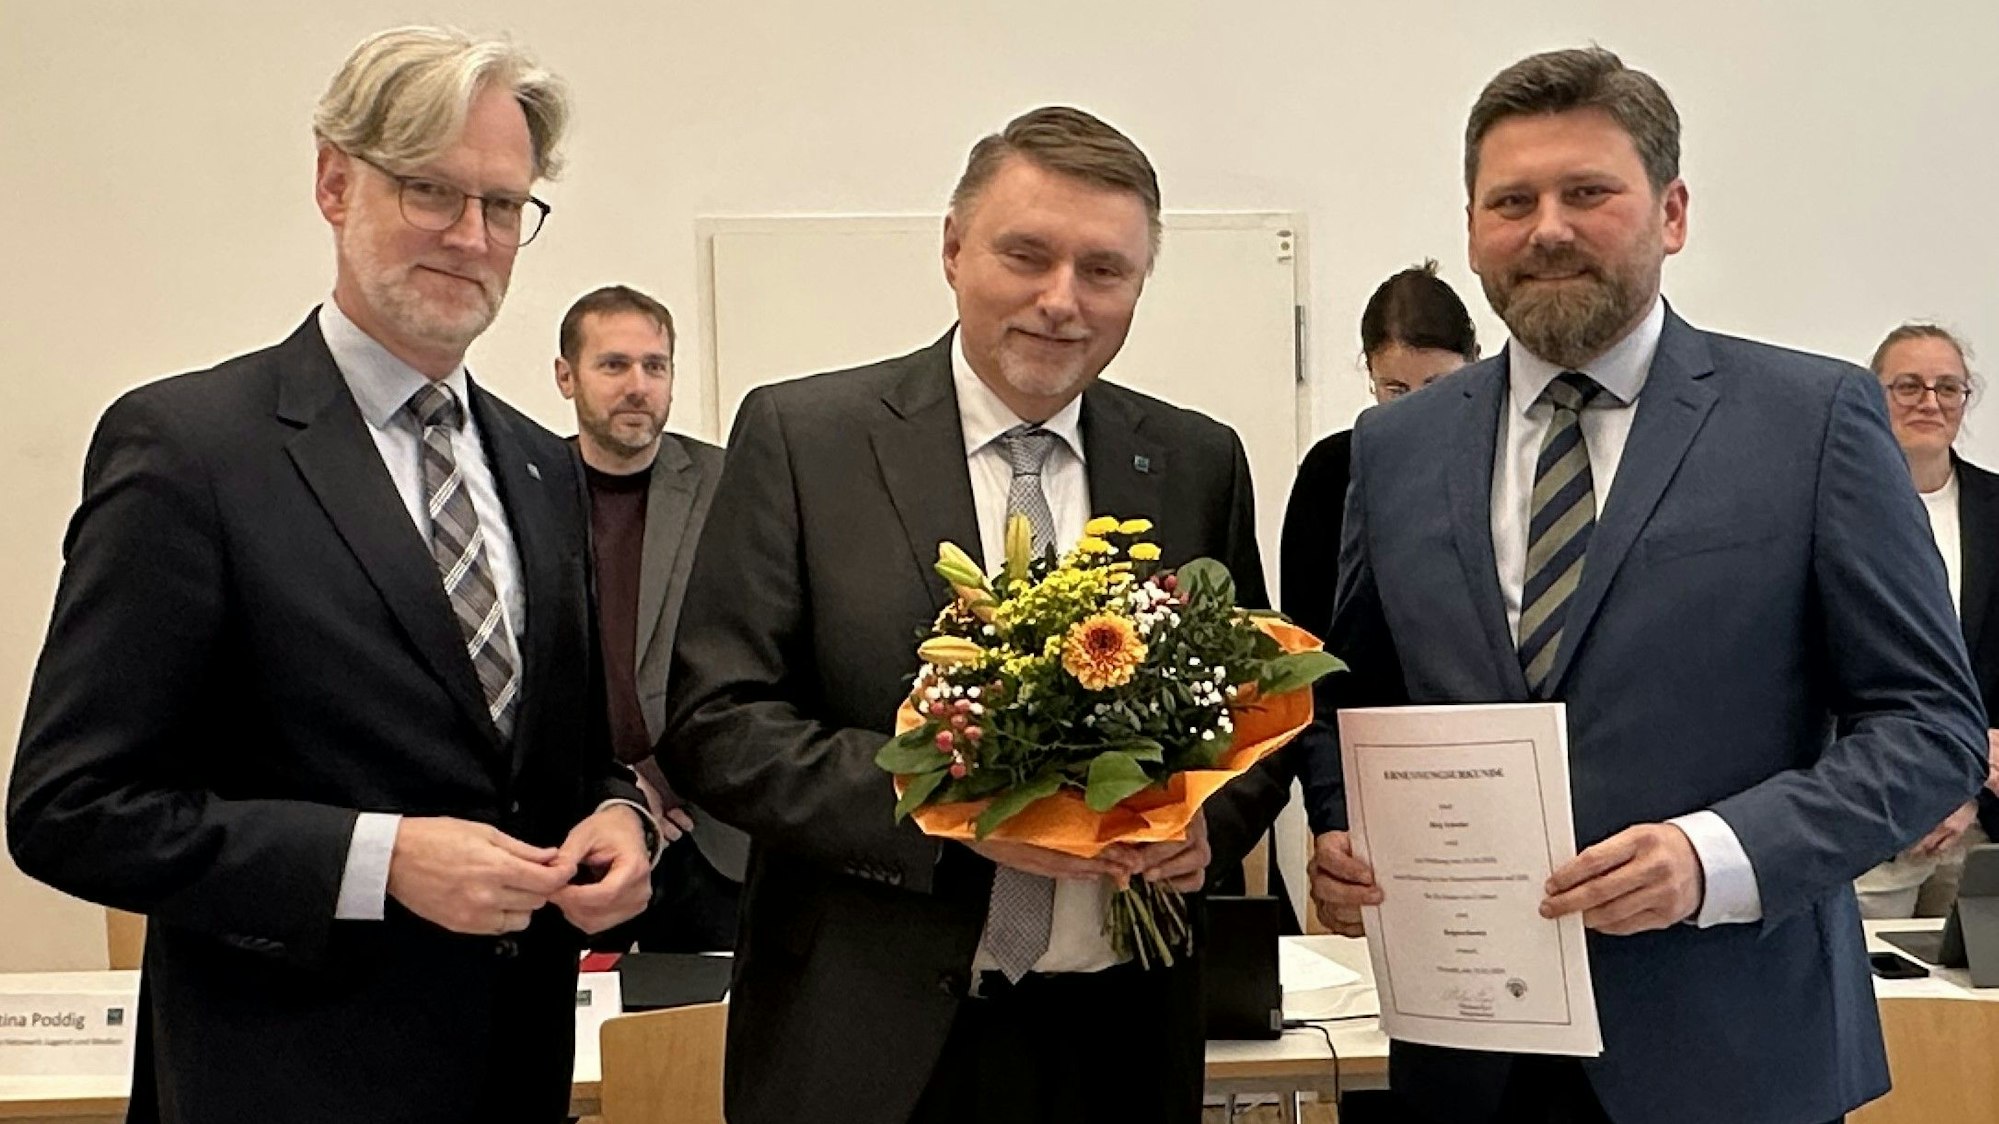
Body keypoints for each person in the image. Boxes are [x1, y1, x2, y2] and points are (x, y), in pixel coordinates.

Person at [1304, 47, 1986, 1124]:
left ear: (1670, 212)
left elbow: (1929, 728)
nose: (1548, 229)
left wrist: (1713, 854)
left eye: (1588, 192)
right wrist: (1344, 833)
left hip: (1733, 1049)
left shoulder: (1811, 422)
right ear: (1474, 223)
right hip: (1470, 1053)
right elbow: (1350, 694)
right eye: (1511, 200)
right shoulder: (1394, 447)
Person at [5, 27, 655, 1124]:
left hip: (515, 1072)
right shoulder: (191, 447)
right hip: (283, 1076)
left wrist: (619, 814)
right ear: (333, 181)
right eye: (430, 191)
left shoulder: (543, 464)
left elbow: (572, 755)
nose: (470, 235)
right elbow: (71, 807)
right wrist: (378, 859)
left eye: (503, 206)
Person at [662, 105, 1292, 1124]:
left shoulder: (1195, 460)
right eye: (1026, 255)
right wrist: (951, 814)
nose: (1061, 301)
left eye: (1103, 270)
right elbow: (718, 724)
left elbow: (1255, 717)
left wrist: (1202, 829)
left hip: (1120, 1043)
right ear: (953, 249)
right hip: (870, 1044)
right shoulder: (804, 438)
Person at [553, 284, 745, 951]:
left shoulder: (734, 486)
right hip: (571, 832)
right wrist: (614, 787)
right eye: (613, 365)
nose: (637, 385)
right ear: (565, 376)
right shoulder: (523, 488)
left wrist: (664, 784)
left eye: (654, 366)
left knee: (700, 1044)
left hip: (712, 831)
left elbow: (761, 647)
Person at [1853, 324, 1999, 917]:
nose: (1929, 402)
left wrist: (1968, 781)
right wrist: (1912, 788)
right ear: (1871, 395)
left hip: (1983, 824)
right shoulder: (1828, 507)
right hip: (1868, 824)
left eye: (1948, 387)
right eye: (1907, 385)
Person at [1280, 260, 1479, 636]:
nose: (1417, 408)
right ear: (1370, 373)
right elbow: (1305, 632)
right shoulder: (1330, 471)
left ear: (1475, 363)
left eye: (1437, 385)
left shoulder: (1504, 459)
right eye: (1396, 390)